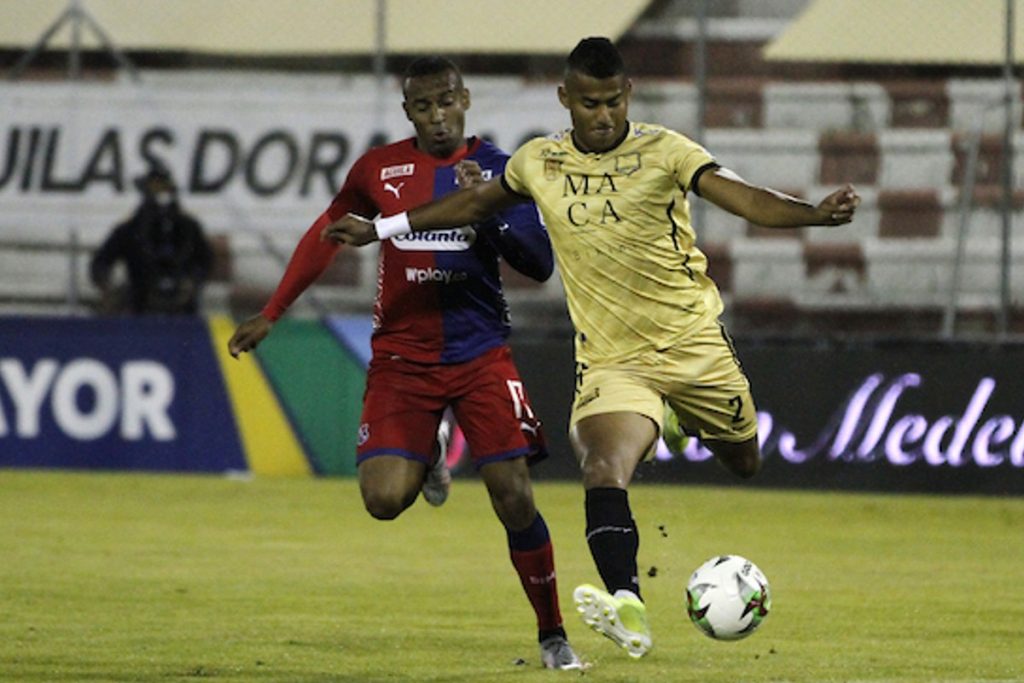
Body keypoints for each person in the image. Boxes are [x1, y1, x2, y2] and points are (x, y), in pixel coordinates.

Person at [323, 37, 861, 659]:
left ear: (627, 95)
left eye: (611, 102)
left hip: (694, 346)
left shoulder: (666, 151)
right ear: (565, 99)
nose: (602, 116)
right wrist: (381, 228)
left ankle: (678, 414)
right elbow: (474, 201)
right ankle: (626, 602)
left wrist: (813, 216)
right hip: (613, 359)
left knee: (745, 461)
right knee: (602, 469)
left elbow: (743, 198)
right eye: (588, 104)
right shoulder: (539, 162)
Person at [226, 56, 581, 670]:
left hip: (479, 354)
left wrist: (486, 209)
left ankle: (553, 636)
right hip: (401, 357)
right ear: (408, 111)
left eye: (447, 102)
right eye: (424, 106)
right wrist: (273, 311)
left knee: (513, 495)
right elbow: (326, 231)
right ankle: (433, 449)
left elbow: (539, 263)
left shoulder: (502, 168)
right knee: (384, 500)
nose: (438, 116)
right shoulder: (378, 169)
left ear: (465, 98)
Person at [90, 165, 213, 315]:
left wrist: (192, 282)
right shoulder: (130, 229)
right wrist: (109, 286)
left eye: (164, 188)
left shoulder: (189, 227)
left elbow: (206, 260)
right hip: (141, 309)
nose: (160, 193)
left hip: (182, 310)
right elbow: (101, 262)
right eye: (155, 188)